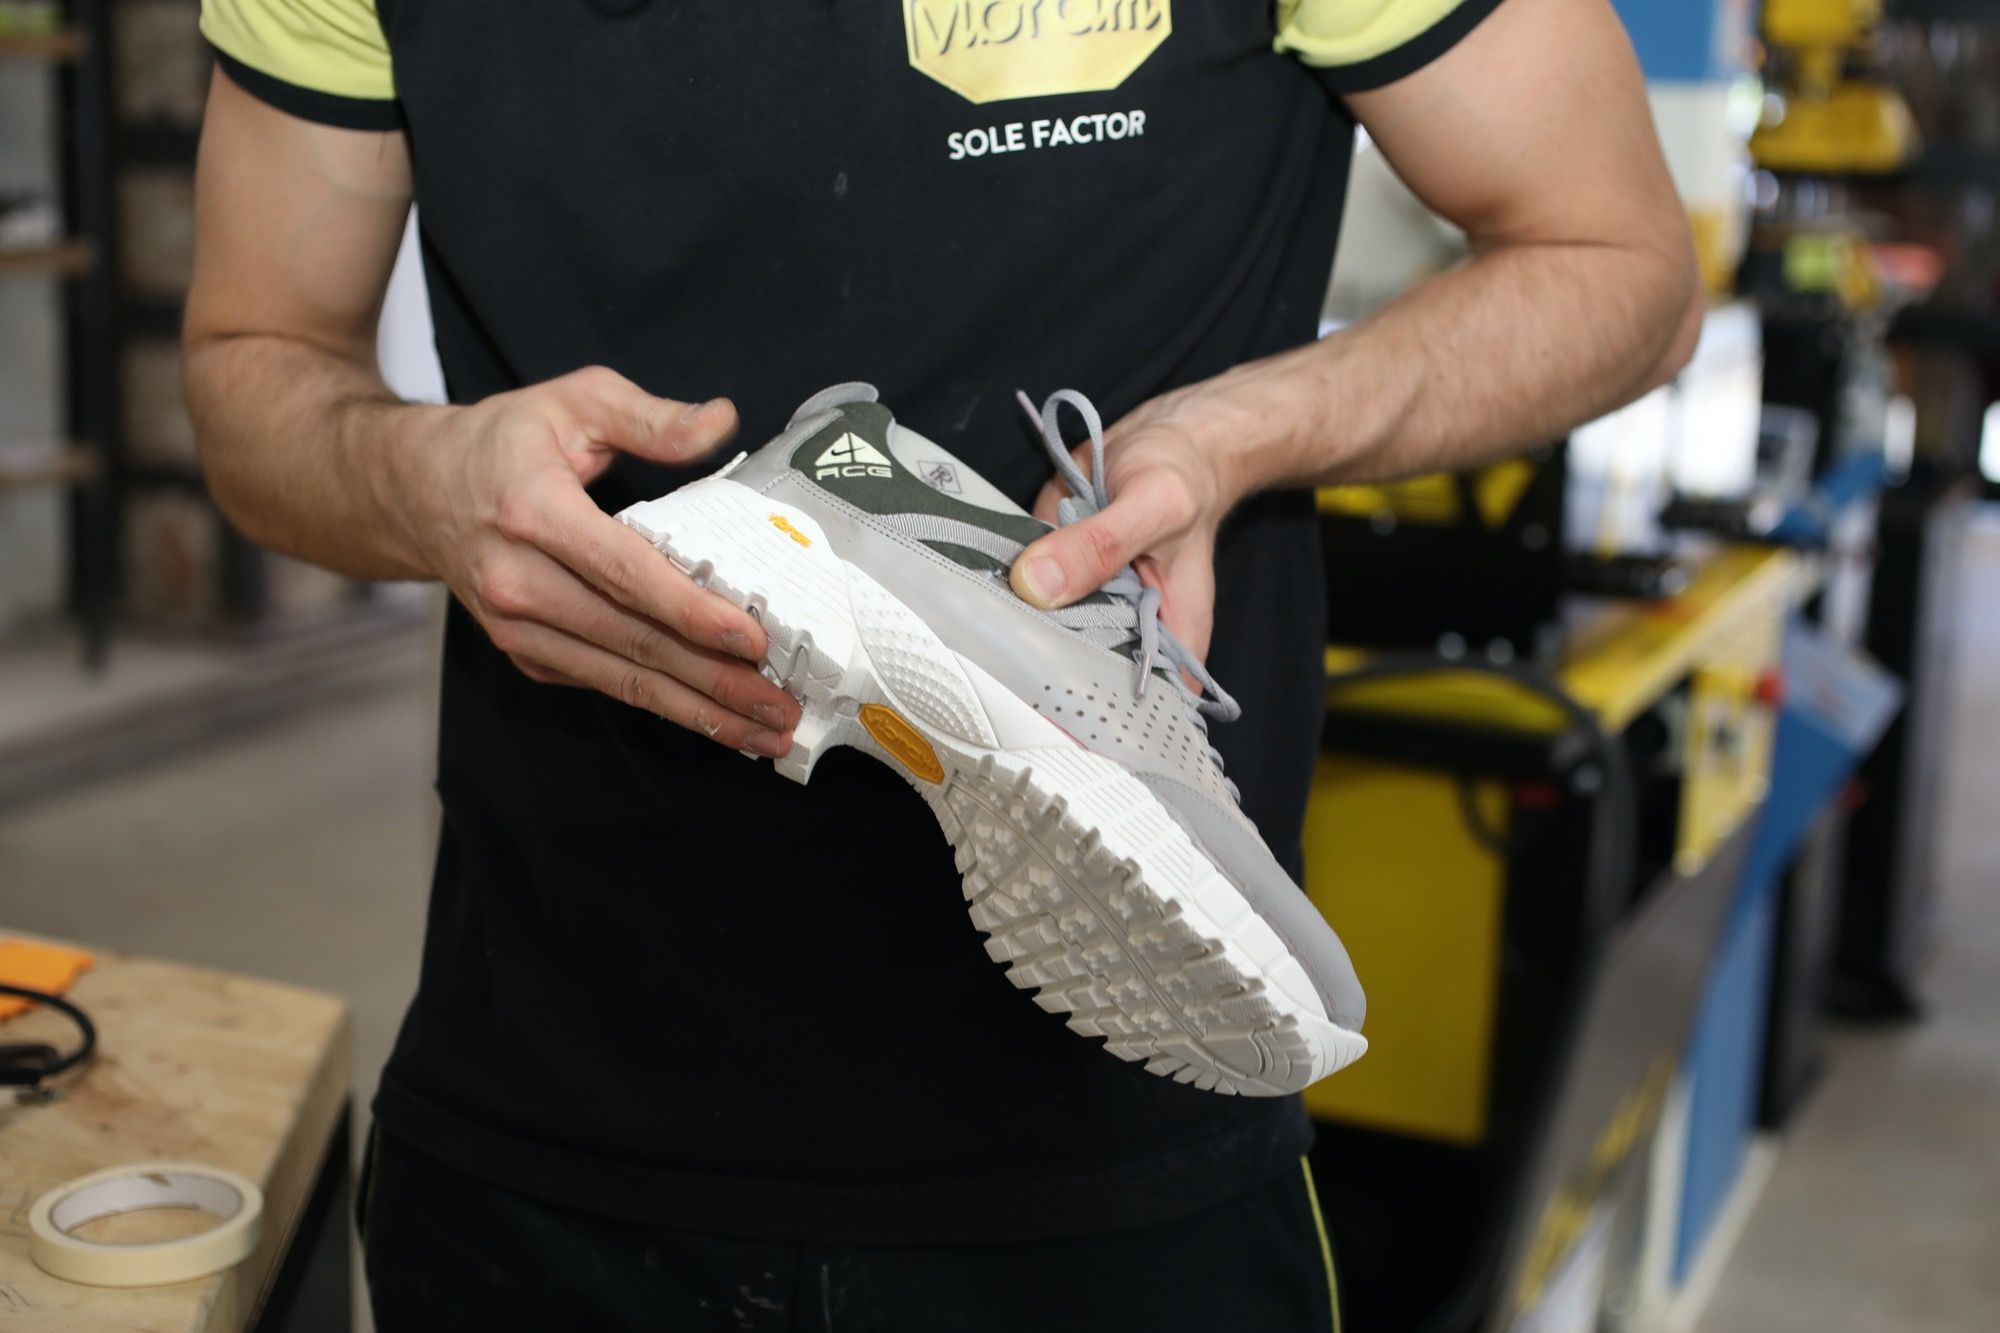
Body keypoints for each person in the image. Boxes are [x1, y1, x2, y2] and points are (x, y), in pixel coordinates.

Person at [184, 0, 1700, 1327]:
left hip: (1129, 1151)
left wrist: (1234, 435)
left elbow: (1619, 259)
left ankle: (966, 582)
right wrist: (422, 485)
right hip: (547, 1108)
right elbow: (256, 360)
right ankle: (847, 512)